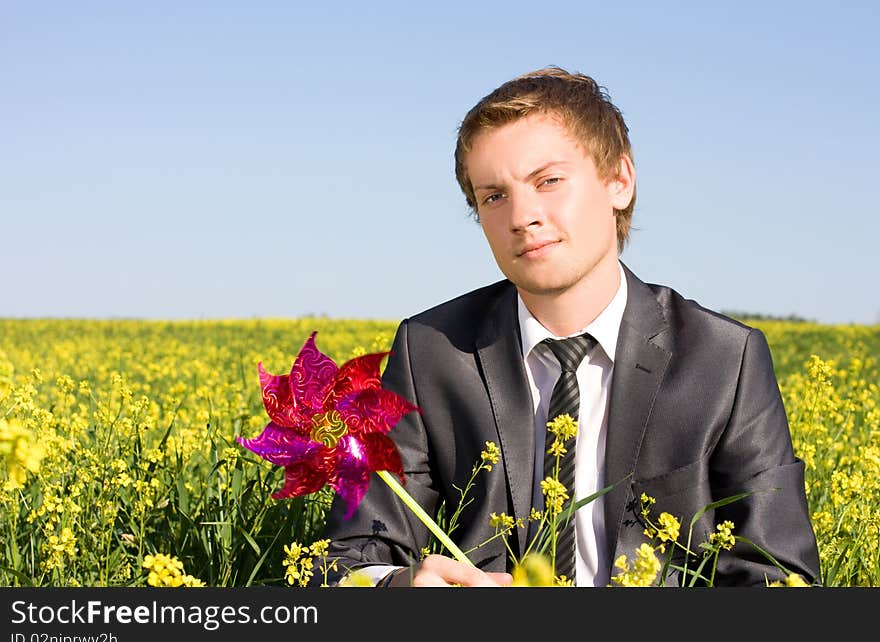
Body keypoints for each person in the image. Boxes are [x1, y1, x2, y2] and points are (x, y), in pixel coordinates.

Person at [316, 66, 822, 587]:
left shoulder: (725, 360)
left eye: (549, 181)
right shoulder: (431, 352)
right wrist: (405, 591)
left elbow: (779, 574)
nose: (522, 215)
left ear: (619, 181)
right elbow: (352, 555)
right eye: (493, 196)